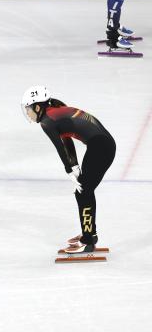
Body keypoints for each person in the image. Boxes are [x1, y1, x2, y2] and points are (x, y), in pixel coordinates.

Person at [21, 86, 116, 254]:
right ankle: (89, 234)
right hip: (102, 144)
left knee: (83, 192)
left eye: (28, 109)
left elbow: (59, 146)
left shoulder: (47, 121)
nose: (27, 114)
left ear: (37, 107)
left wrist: (69, 169)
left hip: (100, 146)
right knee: (84, 191)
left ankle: (88, 241)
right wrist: (75, 166)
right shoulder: (56, 110)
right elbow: (67, 140)